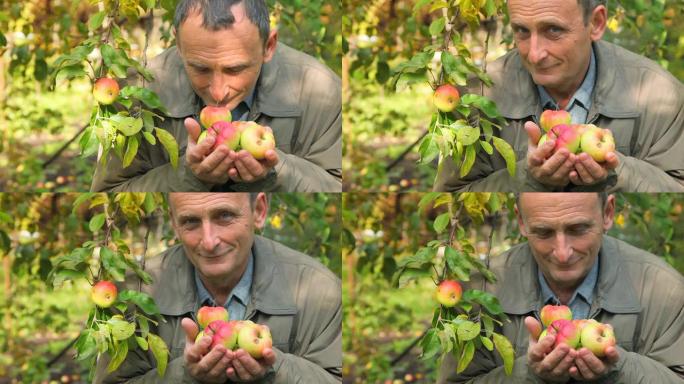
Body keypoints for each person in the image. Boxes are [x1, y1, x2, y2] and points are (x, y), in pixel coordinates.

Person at [92, 0, 342, 192]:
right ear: (178, 44)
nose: (218, 92)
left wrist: (275, 172)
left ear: (269, 46)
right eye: (200, 68)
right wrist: (190, 176)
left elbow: (339, 190)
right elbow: (107, 195)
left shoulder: (320, 91)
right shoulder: (138, 92)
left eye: (235, 69)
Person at [434, 0, 684, 192]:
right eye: (521, 31)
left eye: (553, 30)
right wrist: (527, 178)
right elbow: (449, 199)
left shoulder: (661, 95)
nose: (534, 54)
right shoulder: (476, 98)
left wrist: (615, 172)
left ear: (596, 23)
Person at [94, 193, 342, 383]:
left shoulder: (320, 290)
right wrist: (184, 375)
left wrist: (273, 370)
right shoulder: (135, 294)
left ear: (259, 210)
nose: (210, 241)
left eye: (224, 216)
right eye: (190, 221)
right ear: (174, 222)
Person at [437, 193, 684, 383]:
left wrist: (617, 370)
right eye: (543, 232)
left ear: (608, 213)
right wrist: (528, 375)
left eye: (578, 229)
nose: (563, 253)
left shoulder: (664, 289)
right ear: (521, 222)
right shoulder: (477, 293)